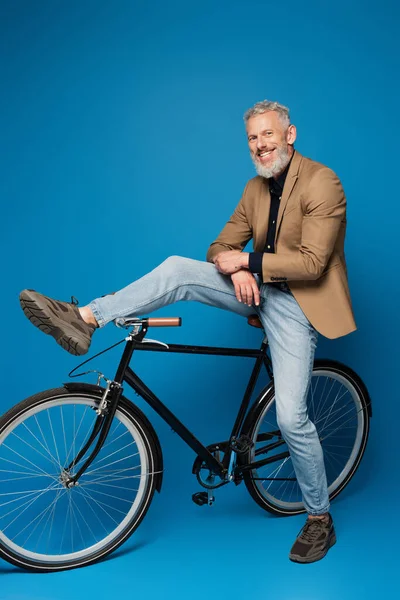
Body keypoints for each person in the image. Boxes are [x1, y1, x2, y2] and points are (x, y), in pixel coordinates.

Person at [19, 99, 356, 563]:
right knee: (178, 268)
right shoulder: (255, 188)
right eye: (253, 138)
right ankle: (86, 318)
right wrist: (234, 267)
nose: (260, 145)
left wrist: (247, 261)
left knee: (291, 419)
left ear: (290, 135)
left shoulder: (323, 182)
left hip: (301, 304)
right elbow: (220, 243)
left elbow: (313, 264)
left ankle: (320, 518)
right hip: (258, 289)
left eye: (267, 135)